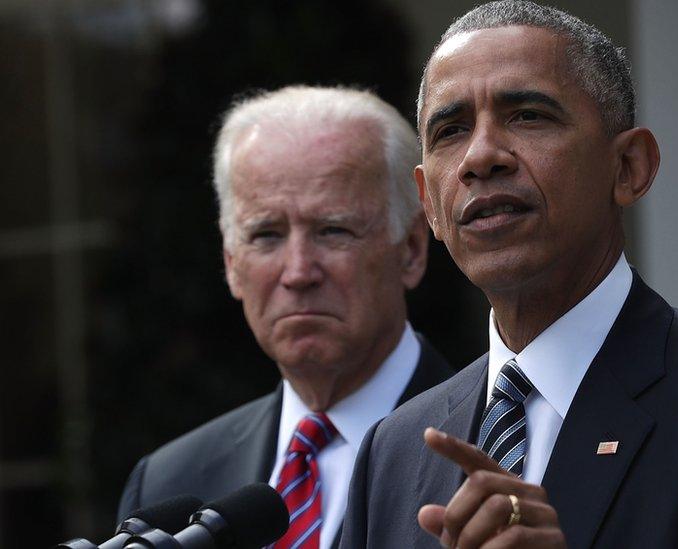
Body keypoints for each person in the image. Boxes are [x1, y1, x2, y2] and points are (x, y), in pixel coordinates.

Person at [340, 2, 678, 548]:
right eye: (451, 129)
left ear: (628, 167)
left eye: (528, 115)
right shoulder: (394, 452)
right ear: (429, 203)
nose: (481, 156)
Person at [118, 86, 454, 549]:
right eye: (266, 235)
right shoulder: (167, 481)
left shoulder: (489, 448)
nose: (298, 273)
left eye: (333, 230)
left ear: (412, 249)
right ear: (231, 262)